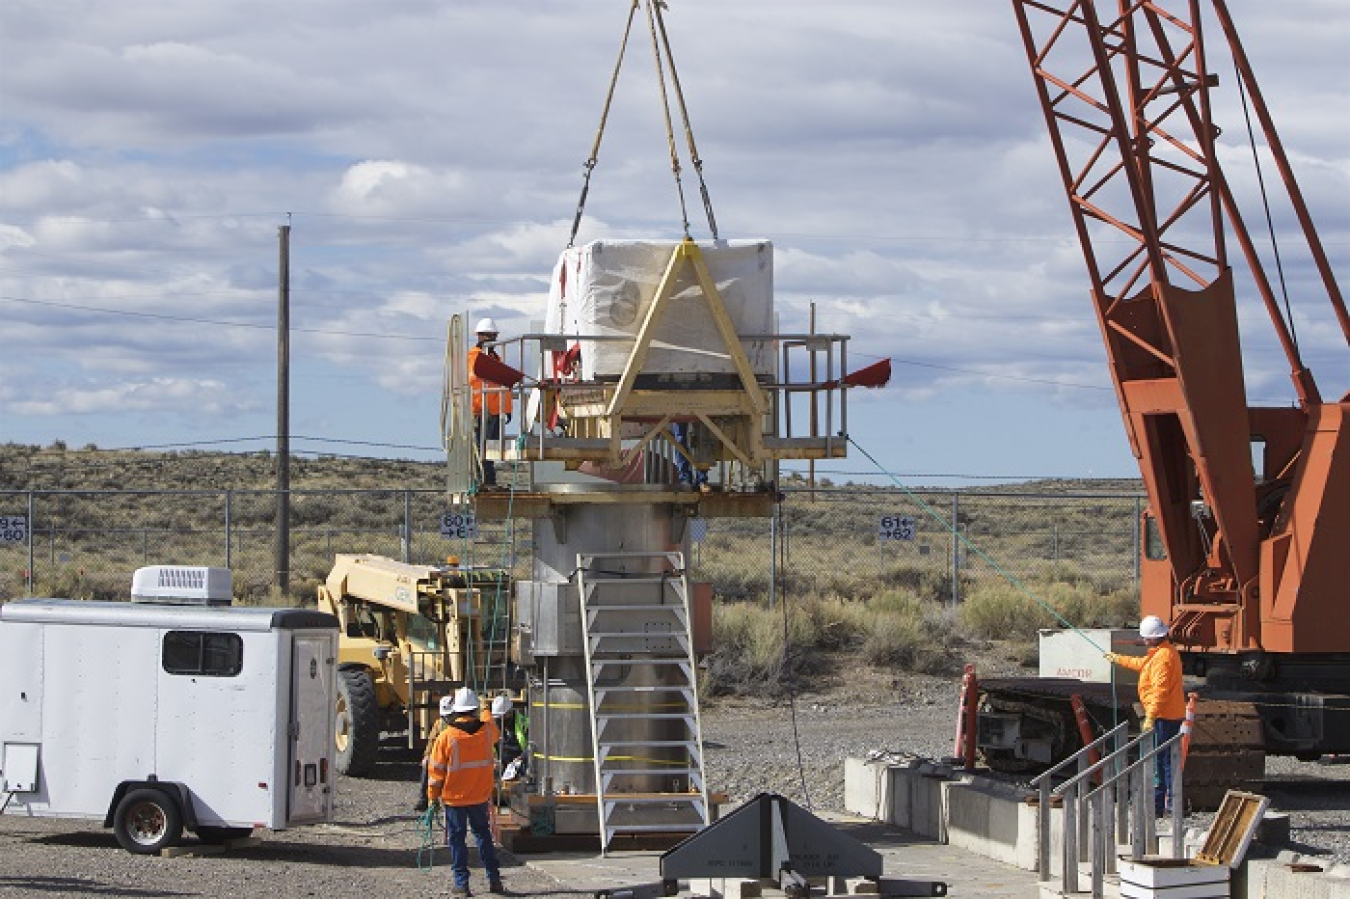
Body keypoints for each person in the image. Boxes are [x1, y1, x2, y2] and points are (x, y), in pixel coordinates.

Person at [1104, 615, 1186, 816]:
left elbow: (1160, 691)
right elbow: (1142, 664)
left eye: (1146, 638)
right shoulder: (1162, 652)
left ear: (1152, 637)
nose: (1144, 641)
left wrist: (1151, 716)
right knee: (1163, 759)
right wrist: (1118, 659)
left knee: (1162, 760)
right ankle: (1162, 804)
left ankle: (1161, 805)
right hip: (1167, 714)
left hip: (1164, 716)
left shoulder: (1163, 658)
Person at [427, 686, 504, 897]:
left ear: (456, 711)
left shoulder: (446, 737)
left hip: (454, 799)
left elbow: (435, 772)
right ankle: (494, 879)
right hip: (479, 796)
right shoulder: (487, 732)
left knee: (457, 840)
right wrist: (486, 707)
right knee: (483, 836)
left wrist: (432, 798)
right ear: (474, 710)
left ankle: (462, 884)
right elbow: (491, 723)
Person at [468, 318, 513, 488]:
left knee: (491, 447)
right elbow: (474, 380)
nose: (492, 340)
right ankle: (483, 480)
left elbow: (502, 384)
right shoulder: (474, 357)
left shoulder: (495, 358)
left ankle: (488, 479)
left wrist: (506, 409)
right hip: (482, 410)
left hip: (495, 411)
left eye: (493, 336)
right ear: (480, 336)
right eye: (489, 336)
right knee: (482, 447)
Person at [414, 694, 455, 812]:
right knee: (428, 766)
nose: (449, 719)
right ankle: (424, 798)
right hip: (442, 756)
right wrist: (427, 756)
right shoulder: (439, 724)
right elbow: (431, 741)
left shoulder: (461, 724)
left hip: (456, 757)